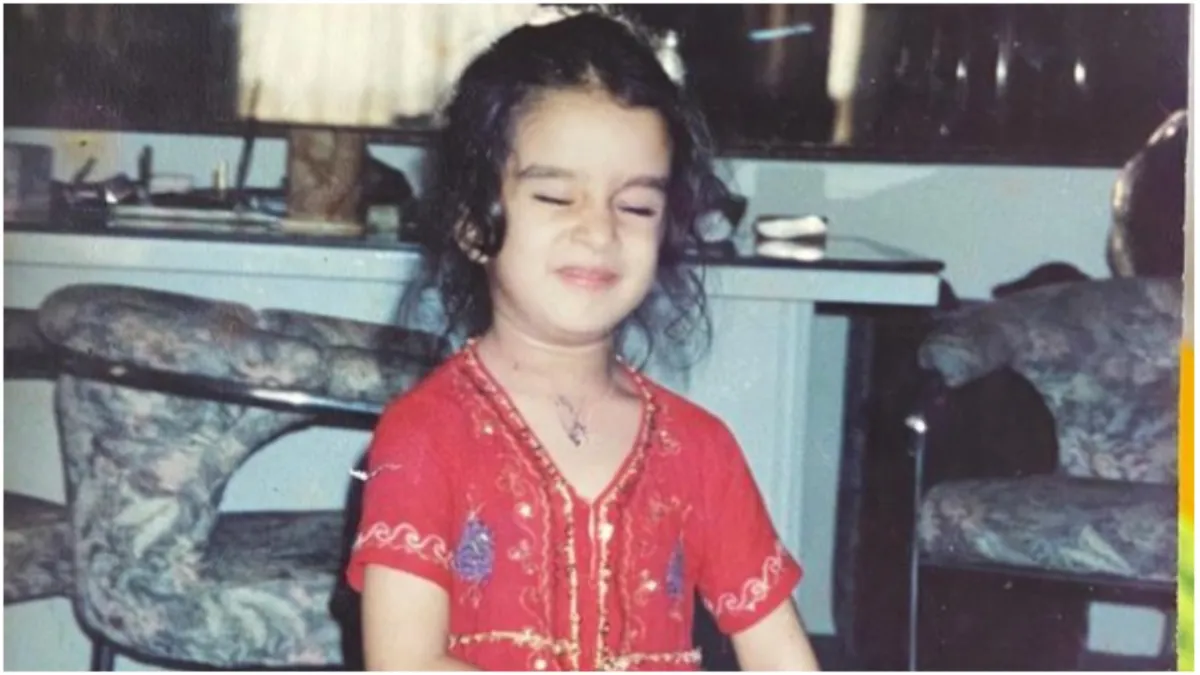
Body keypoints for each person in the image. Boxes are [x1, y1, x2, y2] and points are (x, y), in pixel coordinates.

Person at [346, 11, 820, 672]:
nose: (599, 232)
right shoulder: (424, 434)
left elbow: (782, 656)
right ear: (474, 223)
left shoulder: (701, 449)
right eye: (556, 197)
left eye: (635, 207)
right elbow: (405, 665)